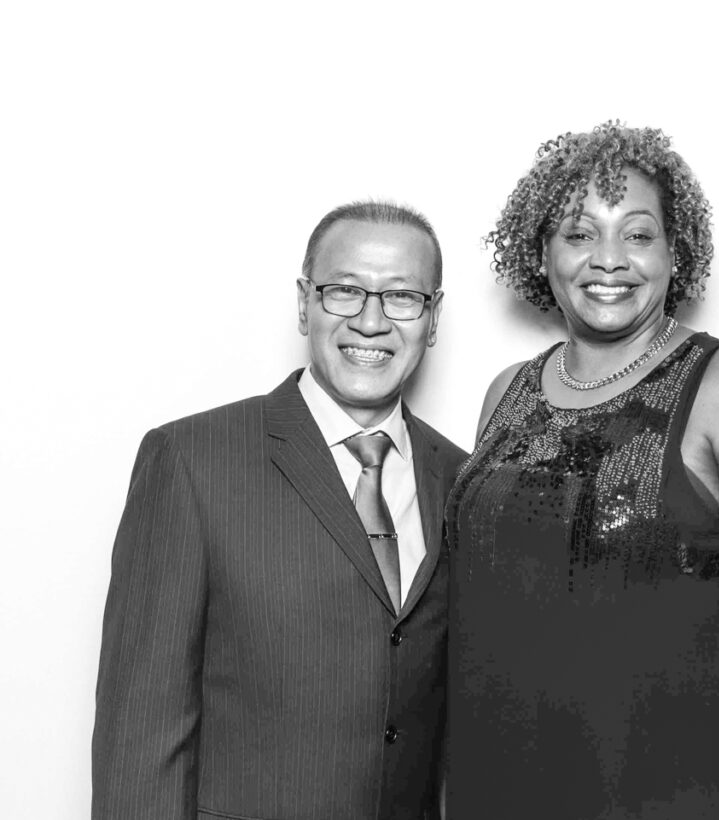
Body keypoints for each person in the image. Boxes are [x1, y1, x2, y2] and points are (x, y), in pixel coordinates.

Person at [446, 123, 719, 819]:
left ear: (676, 253)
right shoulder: (507, 393)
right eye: (580, 233)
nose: (610, 260)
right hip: (488, 794)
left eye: (639, 235)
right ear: (542, 252)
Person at [93, 201, 466, 820]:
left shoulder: (461, 479)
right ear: (304, 303)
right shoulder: (191, 462)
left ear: (433, 318)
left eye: (402, 297)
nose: (371, 322)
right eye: (344, 292)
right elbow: (141, 729)